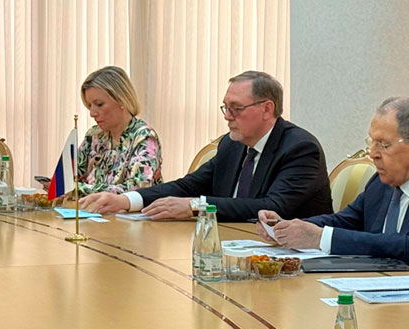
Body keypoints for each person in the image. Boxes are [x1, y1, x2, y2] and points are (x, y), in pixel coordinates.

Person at [258, 97, 409, 295]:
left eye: (384, 145)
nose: (373, 154)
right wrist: (288, 227)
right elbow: (346, 220)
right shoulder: (384, 180)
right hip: (400, 295)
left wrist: (320, 237)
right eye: (372, 142)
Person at [81, 71, 331, 222]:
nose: (227, 116)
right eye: (226, 107)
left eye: (236, 108)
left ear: (267, 109)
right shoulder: (231, 146)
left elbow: (273, 206)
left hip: (289, 261)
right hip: (233, 247)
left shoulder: (299, 148)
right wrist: (125, 200)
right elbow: (187, 186)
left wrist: (194, 207)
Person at [57, 66, 161, 202]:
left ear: (122, 100)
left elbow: (137, 189)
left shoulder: (144, 136)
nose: (92, 113)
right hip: (93, 214)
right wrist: (60, 184)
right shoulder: (94, 135)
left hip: (132, 219)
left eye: (99, 104)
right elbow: (69, 177)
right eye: (90, 106)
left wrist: (78, 189)